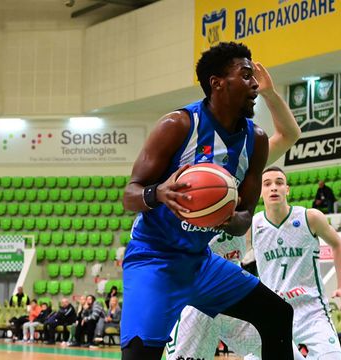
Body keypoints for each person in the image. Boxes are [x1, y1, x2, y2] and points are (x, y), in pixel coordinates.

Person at [121, 41, 295, 360]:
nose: (255, 84)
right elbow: (129, 195)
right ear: (217, 83)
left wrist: (231, 218)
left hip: (201, 262)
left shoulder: (254, 140)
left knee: (277, 314)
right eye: (245, 75)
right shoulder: (179, 125)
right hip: (154, 258)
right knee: (139, 355)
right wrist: (158, 193)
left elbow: (245, 214)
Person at [166, 56, 302, 360]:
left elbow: (290, 135)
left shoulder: (244, 165)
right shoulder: (189, 178)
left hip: (232, 290)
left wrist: (268, 94)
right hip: (195, 295)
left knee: (285, 347)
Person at [250, 166, 341, 359]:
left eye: (279, 183)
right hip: (273, 314)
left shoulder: (310, 217)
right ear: (260, 191)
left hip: (311, 312)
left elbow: (338, 245)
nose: (274, 187)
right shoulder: (253, 225)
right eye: (267, 184)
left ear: (287, 189)